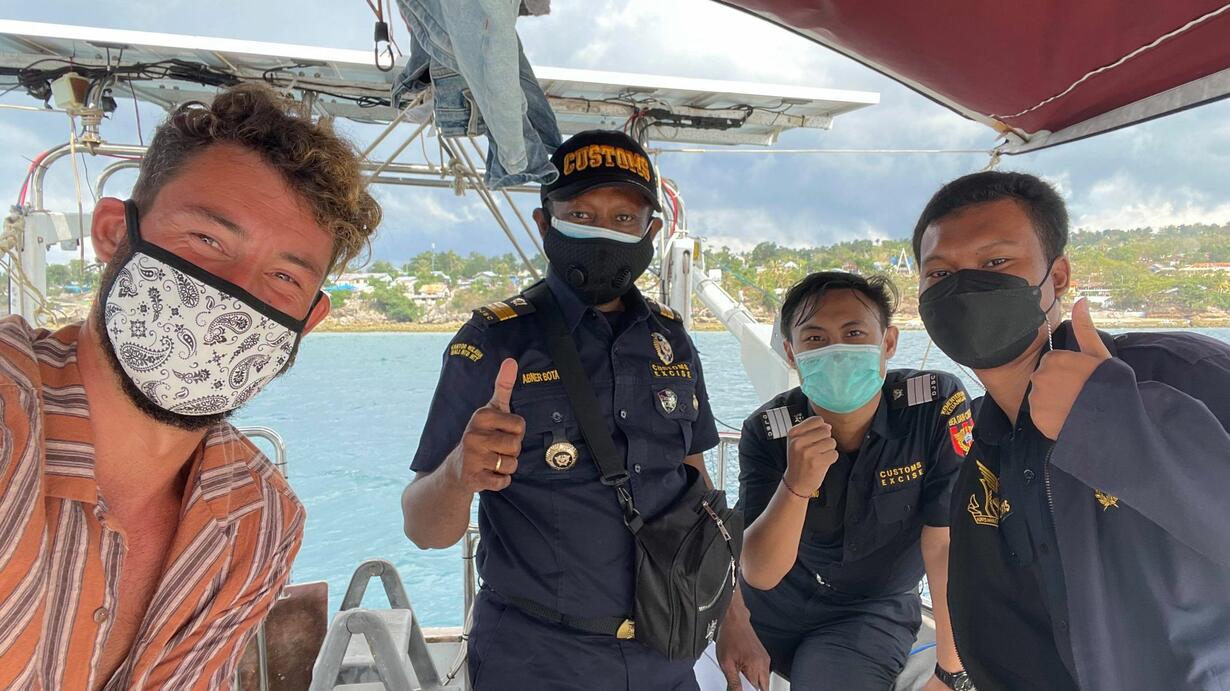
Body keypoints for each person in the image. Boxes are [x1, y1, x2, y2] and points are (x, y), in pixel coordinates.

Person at [0, 83, 380, 689]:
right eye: (207, 240)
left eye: (283, 277)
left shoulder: (260, 520)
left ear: (307, 322)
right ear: (113, 233)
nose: (235, 291)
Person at [401, 130, 724, 690]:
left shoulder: (671, 340)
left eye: (624, 218)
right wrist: (458, 473)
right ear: (545, 224)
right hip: (537, 660)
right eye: (581, 213)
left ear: (650, 232)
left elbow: (696, 488)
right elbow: (423, 529)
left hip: (670, 649)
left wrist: (731, 612)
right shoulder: (493, 341)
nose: (603, 231)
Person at [913, 170, 1230, 691]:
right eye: (941, 274)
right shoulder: (983, 454)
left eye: (995, 263)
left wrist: (1110, 422)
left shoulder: (1183, 373)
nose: (965, 289)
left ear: (1056, 277)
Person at [716, 272, 971, 691]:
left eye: (854, 333)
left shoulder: (932, 405)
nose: (836, 351)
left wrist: (950, 669)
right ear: (791, 353)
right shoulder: (768, 429)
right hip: (769, 607)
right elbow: (759, 572)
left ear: (888, 342)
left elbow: (944, 543)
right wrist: (796, 485)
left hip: (868, 612)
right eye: (815, 338)